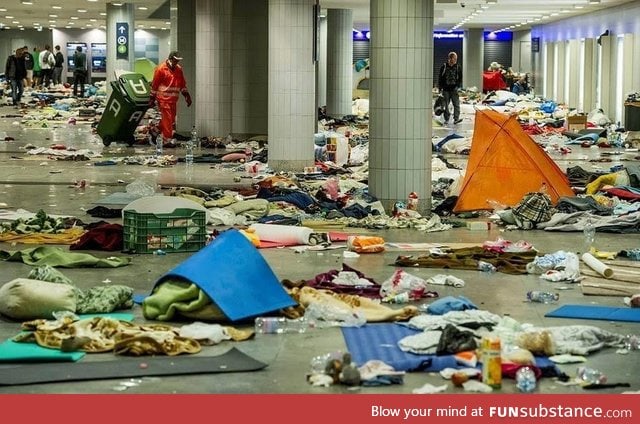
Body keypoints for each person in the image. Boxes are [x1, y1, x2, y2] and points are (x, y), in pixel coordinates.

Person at [149, 51, 192, 148]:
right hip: (163, 98)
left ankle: (155, 130)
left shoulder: (178, 69)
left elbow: (182, 83)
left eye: (178, 61)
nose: (177, 62)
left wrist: (186, 95)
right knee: (168, 119)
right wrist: (152, 98)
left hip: (173, 100)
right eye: (176, 60)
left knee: (170, 119)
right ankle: (166, 140)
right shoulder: (160, 69)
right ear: (171, 59)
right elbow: (155, 85)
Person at [438, 51, 463, 125]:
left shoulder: (458, 67)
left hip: (454, 89)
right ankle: (446, 118)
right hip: (445, 89)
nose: (455, 60)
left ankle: (456, 119)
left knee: (456, 104)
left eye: (456, 58)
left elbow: (460, 78)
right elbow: (440, 78)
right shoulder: (444, 66)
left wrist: (458, 86)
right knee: (445, 105)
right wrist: (440, 88)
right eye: (454, 58)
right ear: (450, 58)